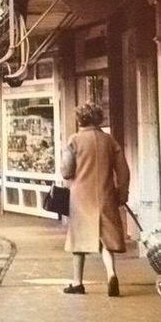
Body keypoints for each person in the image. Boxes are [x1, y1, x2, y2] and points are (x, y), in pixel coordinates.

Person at [61, 102, 130, 297]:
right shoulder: (109, 140)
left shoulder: (74, 140)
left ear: (80, 119)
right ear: (98, 118)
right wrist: (122, 192)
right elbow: (123, 170)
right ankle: (111, 275)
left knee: (78, 240)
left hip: (81, 197)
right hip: (105, 194)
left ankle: (77, 282)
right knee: (106, 238)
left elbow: (66, 171)